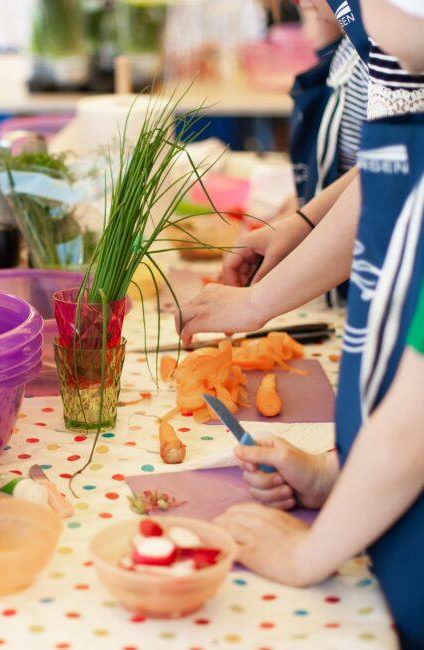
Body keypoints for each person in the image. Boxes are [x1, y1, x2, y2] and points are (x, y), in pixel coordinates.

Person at [177, 1, 424, 645]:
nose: (355, 17)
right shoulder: (411, 84)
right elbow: (383, 179)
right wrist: (338, 473)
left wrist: (308, 556)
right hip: (385, 520)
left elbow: (417, 422)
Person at [222, 0, 369, 289]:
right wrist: (300, 214)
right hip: (338, 269)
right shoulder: (354, 45)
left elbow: (377, 179)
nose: (300, 4)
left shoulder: (387, 56)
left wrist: (257, 303)